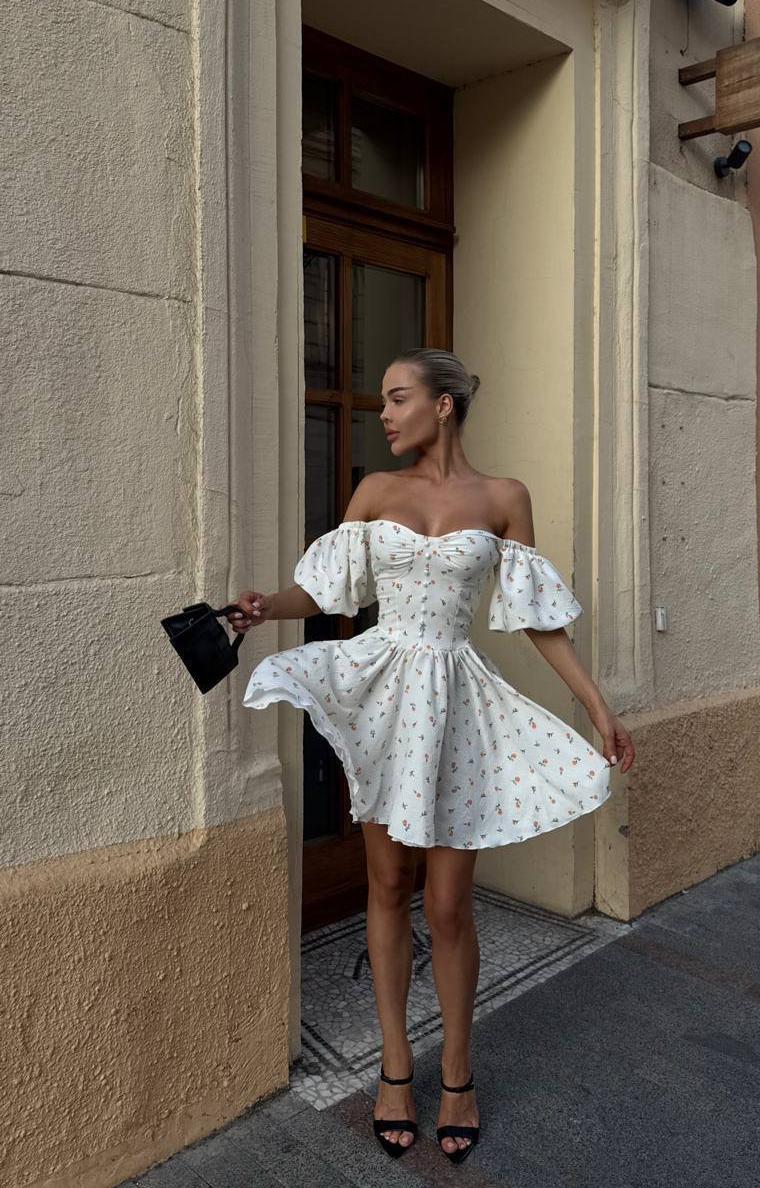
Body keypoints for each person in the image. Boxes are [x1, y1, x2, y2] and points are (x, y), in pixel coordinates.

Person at [226, 348, 636, 1164]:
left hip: (456, 705)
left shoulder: (505, 497)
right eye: (382, 400)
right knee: (386, 885)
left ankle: (455, 1073)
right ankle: (393, 1067)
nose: (383, 413)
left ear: (443, 404)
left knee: (447, 906)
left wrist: (597, 707)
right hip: (384, 695)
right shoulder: (376, 492)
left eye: (397, 397)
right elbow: (331, 591)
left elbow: (537, 617)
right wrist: (268, 606)